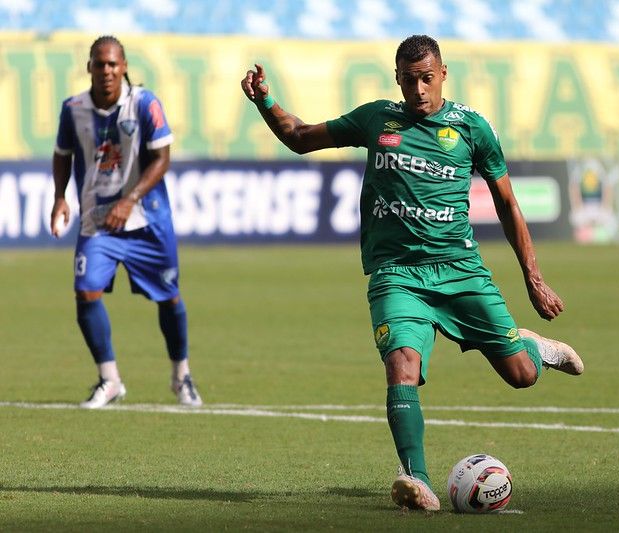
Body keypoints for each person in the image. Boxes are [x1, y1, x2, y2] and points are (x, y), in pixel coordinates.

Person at [240, 34, 583, 511]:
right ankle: (415, 478)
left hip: (461, 270)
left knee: (522, 376)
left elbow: (507, 203)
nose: (419, 89)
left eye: (427, 78)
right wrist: (265, 101)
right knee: (401, 365)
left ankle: (530, 346)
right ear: (397, 79)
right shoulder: (377, 118)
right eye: (409, 80)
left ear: (443, 75)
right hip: (397, 273)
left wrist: (534, 279)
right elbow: (299, 137)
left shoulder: (472, 129)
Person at [51, 35, 202, 409]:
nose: (106, 71)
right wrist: (59, 197)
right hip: (97, 220)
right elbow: (62, 154)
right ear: (89, 67)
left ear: (124, 67)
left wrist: (129, 199)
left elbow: (162, 159)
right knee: (86, 292)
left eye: (113, 64)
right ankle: (110, 379)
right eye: (99, 63)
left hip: (148, 219)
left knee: (169, 298)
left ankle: (181, 375)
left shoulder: (145, 104)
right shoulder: (73, 109)